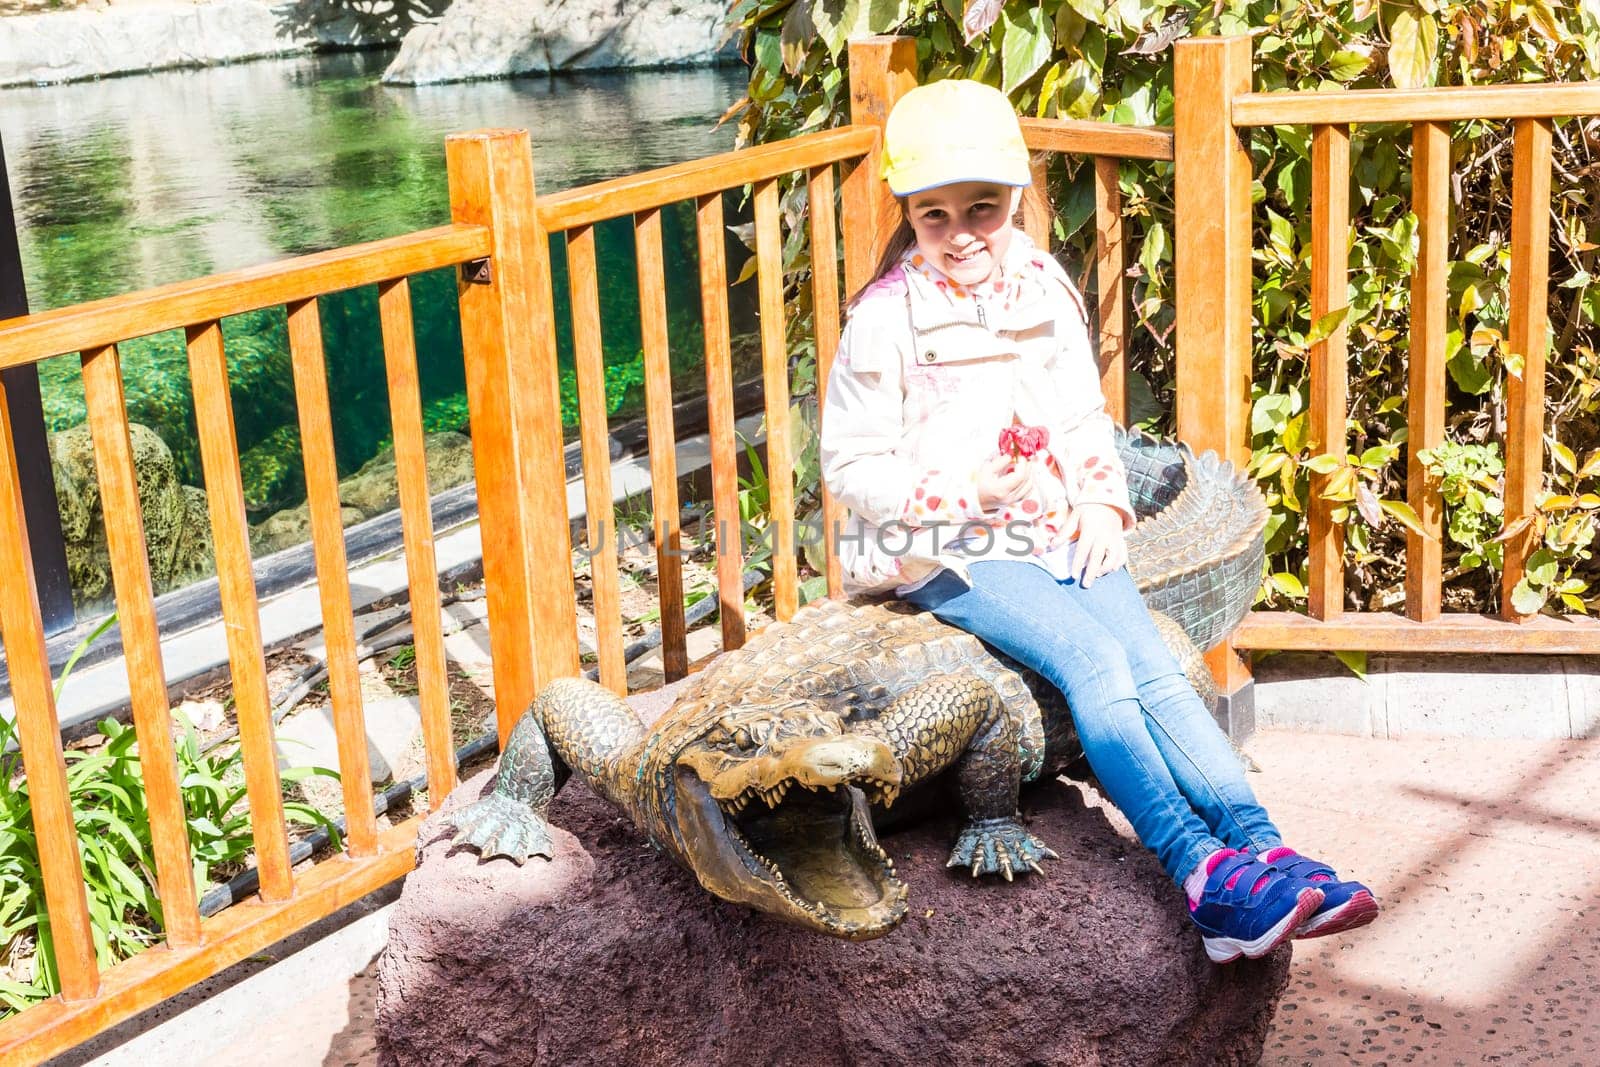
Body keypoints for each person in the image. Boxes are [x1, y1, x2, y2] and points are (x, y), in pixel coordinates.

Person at [818, 78, 1378, 963]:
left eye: (983, 207)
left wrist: (1101, 502)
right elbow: (849, 466)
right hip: (949, 549)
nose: (961, 233)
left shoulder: (1042, 282)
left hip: (1055, 526)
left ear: (1019, 196)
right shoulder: (883, 319)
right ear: (909, 213)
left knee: (1153, 662)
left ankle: (1261, 844)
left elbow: (1082, 418)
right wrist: (967, 492)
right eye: (935, 216)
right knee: (1095, 662)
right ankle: (1202, 876)